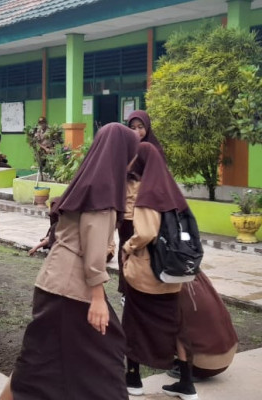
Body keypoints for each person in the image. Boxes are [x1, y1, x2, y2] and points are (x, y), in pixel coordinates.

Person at [0, 122, 139, 400]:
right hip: (72, 291)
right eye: (132, 153)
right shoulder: (104, 189)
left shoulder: (86, 180)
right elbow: (92, 246)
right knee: (106, 356)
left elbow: (65, 228)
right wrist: (98, 298)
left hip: (53, 284)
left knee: (40, 361)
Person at [121, 142, 198, 399]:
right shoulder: (172, 192)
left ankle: (133, 379)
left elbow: (146, 232)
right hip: (172, 273)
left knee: (133, 322)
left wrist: (128, 246)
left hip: (146, 273)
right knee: (176, 326)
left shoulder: (148, 194)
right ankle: (186, 383)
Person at [117, 110, 166, 300]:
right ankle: (125, 291)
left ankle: (143, 289)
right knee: (125, 251)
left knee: (145, 251)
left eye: (140, 127)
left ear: (147, 127)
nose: (137, 132)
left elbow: (160, 180)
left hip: (148, 213)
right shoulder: (126, 150)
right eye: (132, 128)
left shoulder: (155, 150)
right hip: (128, 214)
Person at [168, 270, 238, 381]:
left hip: (202, 365)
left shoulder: (170, 279)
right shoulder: (197, 273)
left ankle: (186, 365)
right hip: (226, 357)